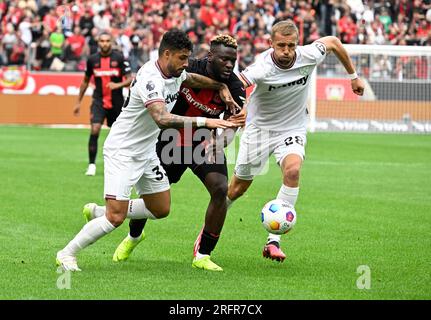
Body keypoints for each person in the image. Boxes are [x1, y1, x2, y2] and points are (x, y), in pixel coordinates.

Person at [56, 29, 240, 272]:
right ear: (166, 54)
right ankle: (67, 253)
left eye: (188, 58)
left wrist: (220, 87)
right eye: (182, 58)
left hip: (147, 151)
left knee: (160, 209)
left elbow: (192, 79)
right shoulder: (150, 78)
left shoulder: (176, 72)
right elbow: (162, 118)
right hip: (123, 151)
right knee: (115, 218)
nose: (187, 64)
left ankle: (102, 210)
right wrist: (207, 122)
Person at [226, 20, 365, 262]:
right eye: (281, 45)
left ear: (297, 44)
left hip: (292, 128)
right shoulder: (262, 67)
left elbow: (332, 42)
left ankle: (273, 241)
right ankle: (209, 228)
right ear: (271, 44)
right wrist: (241, 106)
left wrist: (353, 76)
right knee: (237, 189)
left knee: (292, 171)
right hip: (259, 131)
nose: (286, 51)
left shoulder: (309, 55)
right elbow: (236, 83)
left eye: (291, 45)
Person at [73, 31, 133, 176]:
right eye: (102, 41)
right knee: (94, 129)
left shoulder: (119, 58)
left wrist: (117, 85)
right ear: (98, 43)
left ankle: (119, 164)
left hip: (117, 102)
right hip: (98, 100)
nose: (104, 43)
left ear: (111, 42)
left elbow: (130, 79)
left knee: (118, 135)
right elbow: (85, 81)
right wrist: (77, 102)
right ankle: (92, 165)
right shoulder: (92, 60)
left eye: (107, 41)